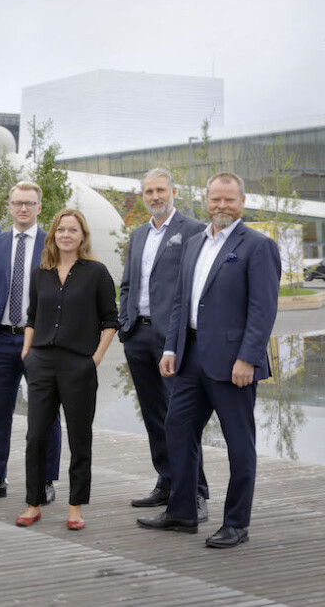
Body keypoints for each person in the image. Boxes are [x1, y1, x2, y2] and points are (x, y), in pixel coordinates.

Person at [138, 172, 280, 549]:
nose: (221, 206)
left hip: (233, 364)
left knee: (239, 444)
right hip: (190, 357)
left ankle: (236, 523)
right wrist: (170, 348)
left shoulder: (257, 245)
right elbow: (183, 302)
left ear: (242, 201)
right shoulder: (195, 241)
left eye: (229, 199)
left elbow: (262, 310)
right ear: (205, 200)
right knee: (177, 429)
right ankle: (182, 511)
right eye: (215, 199)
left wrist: (248, 359)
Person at [16, 209, 118, 531]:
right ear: (53, 235)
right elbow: (32, 316)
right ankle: (34, 503)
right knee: (35, 437)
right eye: (61, 230)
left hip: (78, 366)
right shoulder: (41, 273)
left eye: (73, 230)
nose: (66, 235)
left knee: (79, 437)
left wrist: (95, 359)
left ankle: (75, 507)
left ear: (82, 236)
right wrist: (26, 353)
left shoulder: (97, 273)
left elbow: (111, 321)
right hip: (41, 363)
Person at [119, 168, 209, 517]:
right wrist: (125, 324)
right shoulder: (138, 234)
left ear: (173, 191)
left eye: (160, 190)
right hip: (137, 337)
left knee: (181, 418)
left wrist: (179, 335)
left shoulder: (193, 231)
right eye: (148, 192)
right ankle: (167, 480)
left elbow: (195, 287)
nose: (154, 197)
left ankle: (196, 493)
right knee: (154, 415)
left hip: (172, 340)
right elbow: (128, 284)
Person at [0, 182, 62, 504]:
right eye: (18, 203)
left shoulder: (53, 244)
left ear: (39, 207)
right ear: (9, 206)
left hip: (40, 343)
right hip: (1, 340)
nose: (23, 208)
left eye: (29, 203)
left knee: (46, 415)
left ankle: (47, 480)